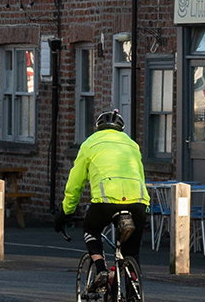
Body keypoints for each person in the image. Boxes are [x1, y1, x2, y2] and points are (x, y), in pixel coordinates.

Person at [54, 110, 149, 292]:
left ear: (98, 128)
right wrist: (145, 207)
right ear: (121, 129)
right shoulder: (132, 145)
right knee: (132, 253)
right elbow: (140, 176)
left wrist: (66, 211)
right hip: (137, 201)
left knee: (91, 228)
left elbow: (76, 182)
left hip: (106, 201)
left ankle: (101, 269)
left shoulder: (90, 144)